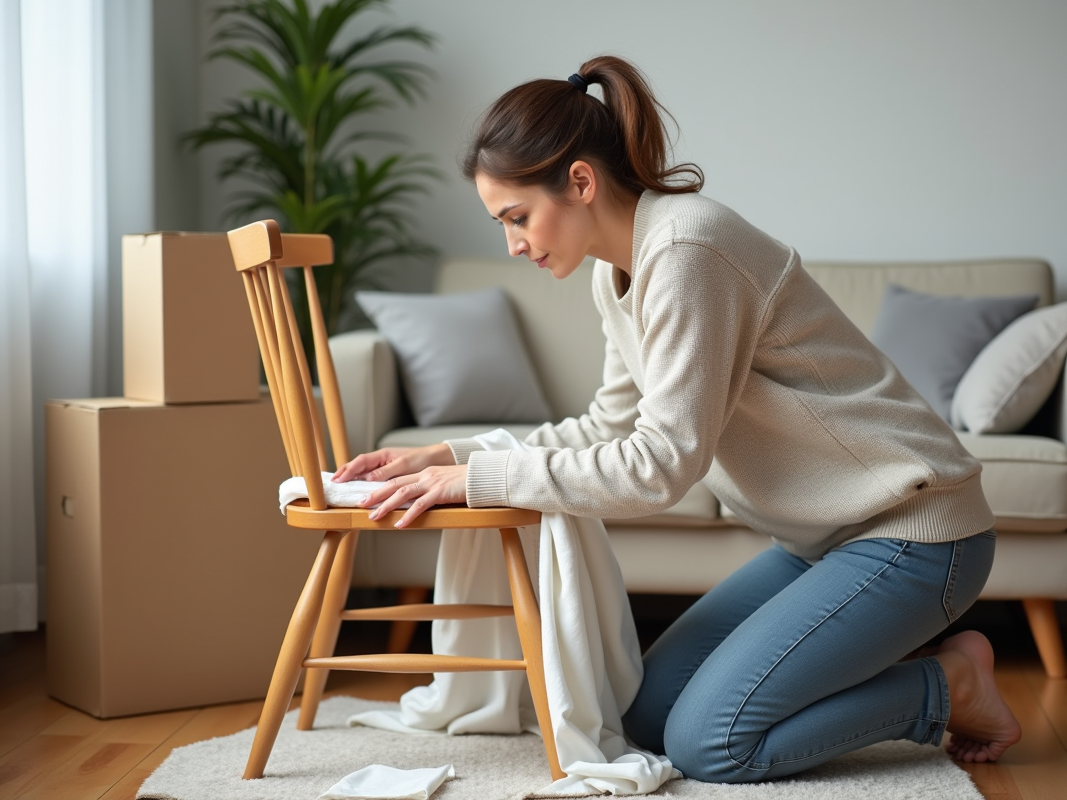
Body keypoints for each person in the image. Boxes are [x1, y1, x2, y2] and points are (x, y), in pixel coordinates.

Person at [332, 55, 1021, 783]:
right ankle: (889, 670)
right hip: (823, 541)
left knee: (712, 744)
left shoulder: (689, 247)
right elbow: (608, 426)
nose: (514, 243)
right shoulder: (616, 271)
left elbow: (659, 466)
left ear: (580, 182)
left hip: (915, 535)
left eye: (517, 217)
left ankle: (947, 687)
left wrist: (483, 480)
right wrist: (449, 456)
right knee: (645, 718)